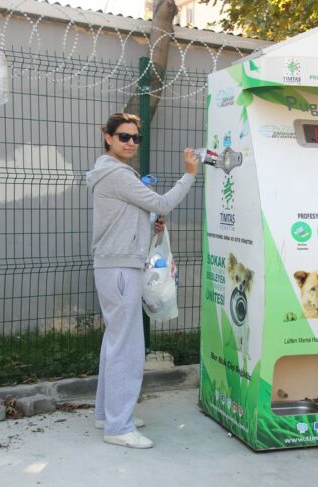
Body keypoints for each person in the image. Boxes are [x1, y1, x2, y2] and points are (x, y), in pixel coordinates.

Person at [85, 112, 198, 449]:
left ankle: (108, 414)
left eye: (136, 138)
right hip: (120, 269)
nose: (131, 143)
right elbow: (163, 202)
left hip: (115, 266)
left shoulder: (113, 172)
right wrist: (190, 174)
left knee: (115, 341)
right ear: (107, 137)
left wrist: (150, 225)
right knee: (128, 346)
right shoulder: (116, 173)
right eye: (124, 136)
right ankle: (119, 426)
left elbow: (129, 217)